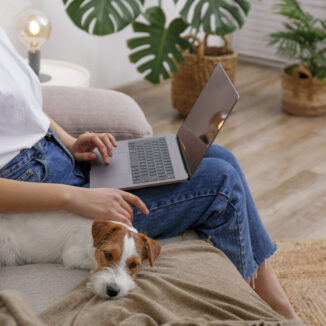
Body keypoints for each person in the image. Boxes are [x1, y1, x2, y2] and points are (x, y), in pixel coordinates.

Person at [0, 27, 299, 321]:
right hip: (43, 202)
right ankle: (275, 309)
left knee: (220, 156)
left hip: (60, 163)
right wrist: (76, 198)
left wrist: (69, 141)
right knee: (222, 183)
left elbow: (25, 106)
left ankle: (270, 298)